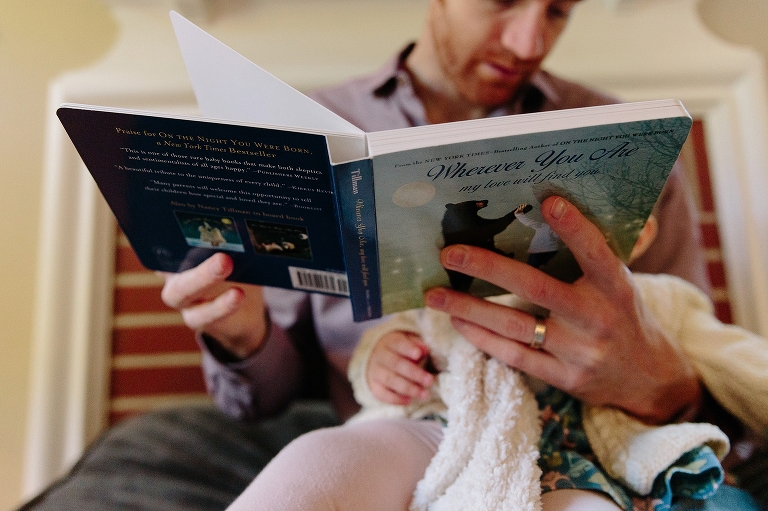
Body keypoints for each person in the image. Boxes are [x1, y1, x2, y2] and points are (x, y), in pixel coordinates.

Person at [18, 0, 763, 510]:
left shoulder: (627, 141)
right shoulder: (304, 128)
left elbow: (698, 337)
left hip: (589, 437)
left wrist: (664, 385)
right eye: (503, 1)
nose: (530, 40)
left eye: (558, 10)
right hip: (398, 426)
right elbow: (265, 398)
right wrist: (238, 333)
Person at [220, 212, 766, 511]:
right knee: (320, 457)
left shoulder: (664, 300)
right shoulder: (443, 293)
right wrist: (381, 363)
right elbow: (387, 346)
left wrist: (671, 380)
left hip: (598, 456)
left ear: (641, 232)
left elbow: (748, 370)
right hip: (443, 426)